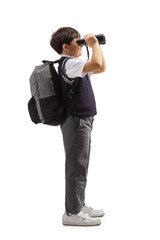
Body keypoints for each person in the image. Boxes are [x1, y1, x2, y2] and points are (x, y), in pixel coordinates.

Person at [50, 27, 106, 226]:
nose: (82, 43)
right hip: (75, 121)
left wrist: (96, 47)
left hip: (82, 119)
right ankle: (71, 213)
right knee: (76, 166)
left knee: (81, 164)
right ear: (66, 47)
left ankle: (79, 205)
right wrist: (94, 45)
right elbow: (97, 63)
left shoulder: (75, 64)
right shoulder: (70, 63)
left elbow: (100, 67)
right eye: (78, 41)